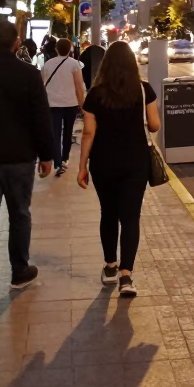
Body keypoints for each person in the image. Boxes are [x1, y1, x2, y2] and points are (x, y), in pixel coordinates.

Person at [0, 21, 54, 312]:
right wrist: (47, 155)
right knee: (20, 214)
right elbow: (41, 117)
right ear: (17, 43)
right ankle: (19, 271)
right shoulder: (29, 75)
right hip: (19, 159)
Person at [77, 41, 159, 298]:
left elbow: (88, 133)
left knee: (109, 213)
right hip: (136, 163)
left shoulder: (96, 94)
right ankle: (127, 276)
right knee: (131, 217)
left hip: (103, 163)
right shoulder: (143, 90)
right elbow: (154, 125)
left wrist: (82, 167)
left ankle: (110, 266)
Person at [41, 37, 86, 176]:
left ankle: (58, 162)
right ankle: (65, 159)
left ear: (56, 49)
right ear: (70, 49)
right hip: (70, 104)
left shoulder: (48, 64)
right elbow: (79, 86)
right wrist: (82, 105)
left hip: (52, 104)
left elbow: (41, 85)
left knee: (55, 133)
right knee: (68, 132)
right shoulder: (74, 65)